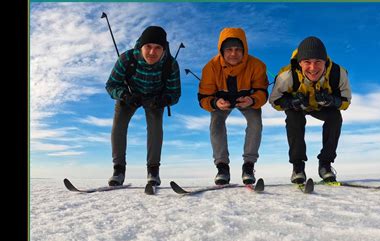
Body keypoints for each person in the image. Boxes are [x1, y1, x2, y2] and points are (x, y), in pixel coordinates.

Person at [269, 36, 352, 184]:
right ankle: (298, 167)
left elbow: (346, 102)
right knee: (294, 119)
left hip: (321, 106)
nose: (313, 68)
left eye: (318, 62)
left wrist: (332, 100)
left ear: (325, 62)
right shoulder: (286, 76)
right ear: (300, 63)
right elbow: (274, 101)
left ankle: (325, 165)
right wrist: (291, 102)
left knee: (335, 117)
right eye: (307, 62)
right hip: (298, 107)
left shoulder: (338, 74)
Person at [105, 26, 181, 186]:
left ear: (163, 49)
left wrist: (163, 100)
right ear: (141, 46)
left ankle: (153, 171)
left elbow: (174, 93)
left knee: (155, 128)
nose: (152, 52)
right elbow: (111, 85)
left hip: (155, 98)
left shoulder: (170, 64)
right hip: (130, 95)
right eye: (148, 47)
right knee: (118, 125)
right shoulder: (126, 59)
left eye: (157, 48)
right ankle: (118, 170)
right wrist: (124, 95)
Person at [198, 27, 269, 185]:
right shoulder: (210, 68)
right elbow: (204, 97)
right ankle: (222, 167)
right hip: (222, 102)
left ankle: (248, 166)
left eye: (238, 49)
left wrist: (252, 100)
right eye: (228, 49)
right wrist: (215, 103)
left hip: (247, 100)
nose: (233, 53)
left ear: (244, 49)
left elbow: (262, 92)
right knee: (216, 122)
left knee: (255, 121)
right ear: (221, 51)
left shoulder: (257, 65)